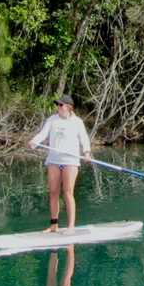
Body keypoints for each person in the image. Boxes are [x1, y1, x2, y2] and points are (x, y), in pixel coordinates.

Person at [28, 94, 92, 233]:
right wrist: (34, 141)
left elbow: (84, 139)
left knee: (68, 193)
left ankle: (71, 227)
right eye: (58, 105)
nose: (58, 107)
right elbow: (42, 134)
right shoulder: (52, 120)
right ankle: (54, 225)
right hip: (54, 161)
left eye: (61, 105)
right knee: (53, 192)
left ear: (69, 107)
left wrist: (87, 152)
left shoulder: (77, 122)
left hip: (70, 161)